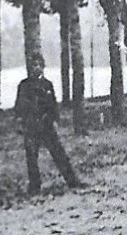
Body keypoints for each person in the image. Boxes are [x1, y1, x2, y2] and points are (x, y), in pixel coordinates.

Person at [13, 55, 84, 194]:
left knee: (59, 153)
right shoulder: (24, 86)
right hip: (31, 125)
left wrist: (55, 119)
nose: (37, 68)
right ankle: (34, 186)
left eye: (39, 65)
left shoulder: (47, 85)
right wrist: (21, 121)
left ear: (43, 67)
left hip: (46, 125)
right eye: (34, 65)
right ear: (30, 68)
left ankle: (72, 181)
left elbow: (53, 105)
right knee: (32, 157)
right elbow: (19, 106)